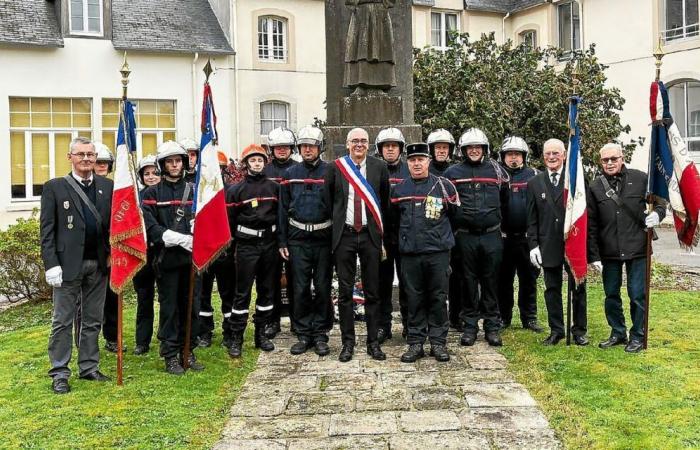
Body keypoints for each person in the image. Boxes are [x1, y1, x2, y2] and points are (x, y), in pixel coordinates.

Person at [40, 137, 113, 394]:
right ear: (70, 157)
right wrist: (51, 264)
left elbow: (113, 227)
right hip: (67, 265)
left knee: (93, 319)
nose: (86, 159)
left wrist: (114, 253)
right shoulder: (54, 188)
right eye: (80, 154)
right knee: (62, 320)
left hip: (99, 264)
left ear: (96, 158)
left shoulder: (108, 186)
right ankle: (60, 372)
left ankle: (89, 366)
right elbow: (47, 231)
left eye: (90, 154)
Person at [587, 143, 666, 353]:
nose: (610, 163)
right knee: (611, 294)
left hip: (637, 246)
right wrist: (593, 256)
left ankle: (638, 336)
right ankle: (617, 332)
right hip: (609, 249)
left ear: (622, 158)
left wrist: (657, 215)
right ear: (600, 161)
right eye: (605, 160)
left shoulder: (641, 178)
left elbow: (660, 202)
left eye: (614, 158)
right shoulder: (595, 186)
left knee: (637, 294)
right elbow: (592, 224)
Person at [325, 127, 390, 362]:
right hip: (346, 236)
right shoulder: (336, 168)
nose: (359, 144)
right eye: (355, 141)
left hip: (371, 236)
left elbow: (384, 201)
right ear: (347, 143)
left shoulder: (379, 168)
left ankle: (373, 343)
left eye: (363, 141)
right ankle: (348, 343)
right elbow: (330, 201)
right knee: (345, 292)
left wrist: (384, 237)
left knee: (373, 291)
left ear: (369, 144)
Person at [391, 143, 458, 363]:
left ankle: (438, 343)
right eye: (412, 160)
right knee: (414, 299)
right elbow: (393, 222)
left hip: (437, 254)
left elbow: (455, 217)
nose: (417, 163)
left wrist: (442, 239)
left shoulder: (444, 186)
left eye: (421, 159)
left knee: (438, 297)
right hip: (410, 254)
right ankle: (416, 342)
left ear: (428, 161)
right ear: (407, 163)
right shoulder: (399, 190)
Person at [141, 141, 204, 374]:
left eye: (178, 161)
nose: (175, 165)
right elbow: (150, 225)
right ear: (162, 165)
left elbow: (206, 216)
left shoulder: (195, 189)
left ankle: (188, 350)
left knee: (191, 306)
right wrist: (177, 238)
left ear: (184, 163)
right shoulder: (151, 193)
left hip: (192, 258)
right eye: (170, 161)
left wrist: (200, 227)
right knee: (170, 307)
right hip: (166, 258)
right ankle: (170, 353)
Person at [444, 128, 509, 347]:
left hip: (492, 235)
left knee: (491, 282)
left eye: (477, 147)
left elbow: (506, 201)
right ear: (463, 150)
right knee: (467, 282)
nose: (473, 151)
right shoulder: (452, 173)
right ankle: (469, 326)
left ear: (484, 149)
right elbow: (447, 205)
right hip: (464, 237)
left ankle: (492, 326)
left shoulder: (497, 171)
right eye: (469, 148)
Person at [527, 138, 588, 346]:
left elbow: (584, 212)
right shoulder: (534, 183)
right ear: (543, 156)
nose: (551, 157)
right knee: (552, 289)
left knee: (578, 288)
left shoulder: (575, 181)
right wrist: (533, 245)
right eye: (547, 154)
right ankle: (557, 330)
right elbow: (531, 218)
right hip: (548, 244)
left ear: (564, 155)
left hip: (573, 242)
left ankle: (579, 331)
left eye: (556, 153)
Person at [279, 126, 333, 356]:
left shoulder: (331, 172)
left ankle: (320, 334)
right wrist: (282, 241)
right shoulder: (290, 174)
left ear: (320, 148)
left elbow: (338, 207)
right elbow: (282, 210)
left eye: (311, 145)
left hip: (323, 240)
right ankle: (302, 333)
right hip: (297, 240)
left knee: (322, 287)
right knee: (299, 288)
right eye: (303, 146)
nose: (307, 149)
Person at [226, 144, 279, 358]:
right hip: (247, 246)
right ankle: (236, 337)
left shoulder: (274, 188)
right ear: (246, 163)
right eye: (252, 160)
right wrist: (231, 248)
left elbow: (281, 216)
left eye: (260, 160)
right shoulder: (235, 190)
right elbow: (229, 221)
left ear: (265, 162)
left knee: (267, 291)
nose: (256, 164)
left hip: (270, 244)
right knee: (242, 293)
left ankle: (261, 334)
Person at [497, 136, 543, 332]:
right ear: (503, 156)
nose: (513, 158)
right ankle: (503, 317)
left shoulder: (535, 175)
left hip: (527, 239)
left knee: (528, 280)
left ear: (524, 156)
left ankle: (529, 318)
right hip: (503, 239)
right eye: (509, 154)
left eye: (517, 154)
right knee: (503, 280)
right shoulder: (497, 176)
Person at [196, 151, 237, 349]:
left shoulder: (231, 192)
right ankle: (204, 331)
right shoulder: (197, 192)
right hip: (204, 252)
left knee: (228, 293)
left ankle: (229, 331)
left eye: (220, 169)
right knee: (202, 294)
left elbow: (236, 222)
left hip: (225, 253)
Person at [263, 127, 299, 339]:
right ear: (272, 149)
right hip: (270, 233)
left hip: (293, 231)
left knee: (295, 279)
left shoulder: (297, 169)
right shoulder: (265, 172)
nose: (282, 151)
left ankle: (296, 319)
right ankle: (272, 321)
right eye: (278, 147)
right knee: (271, 279)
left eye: (286, 147)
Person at [375, 127, 409, 342]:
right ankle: (382, 326)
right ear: (380, 149)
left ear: (400, 149)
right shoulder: (373, 171)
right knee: (382, 284)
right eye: (386, 146)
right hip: (382, 238)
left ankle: (409, 324)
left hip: (406, 237)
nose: (390, 149)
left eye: (393, 146)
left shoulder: (409, 171)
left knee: (408, 284)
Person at [427, 129, 462, 330]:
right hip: (432, 233)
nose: (441, 151)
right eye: (438, 147)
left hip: (454, 232)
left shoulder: (456, 171)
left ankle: (456, 316)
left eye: (444, 147)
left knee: (456, 277)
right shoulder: (425, 171)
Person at [90, 143, 123, 353]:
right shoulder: (81, 187)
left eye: (105, 163)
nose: (101, 166)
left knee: (112, 298)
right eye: (98, 163)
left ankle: (112, 338)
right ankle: (88, 341)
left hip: (110, 249)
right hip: (90, 250)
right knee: (89, 302)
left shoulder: (115, 188)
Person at [132, 155, 161, 355]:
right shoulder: (135, 197)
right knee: (144, 299)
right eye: (146, 174)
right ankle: (142, 341)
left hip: (164, 253)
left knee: (168, 298)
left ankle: (166, 335)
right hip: (143, 255)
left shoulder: (166, 194)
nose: (151, 177)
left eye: (154, 173)